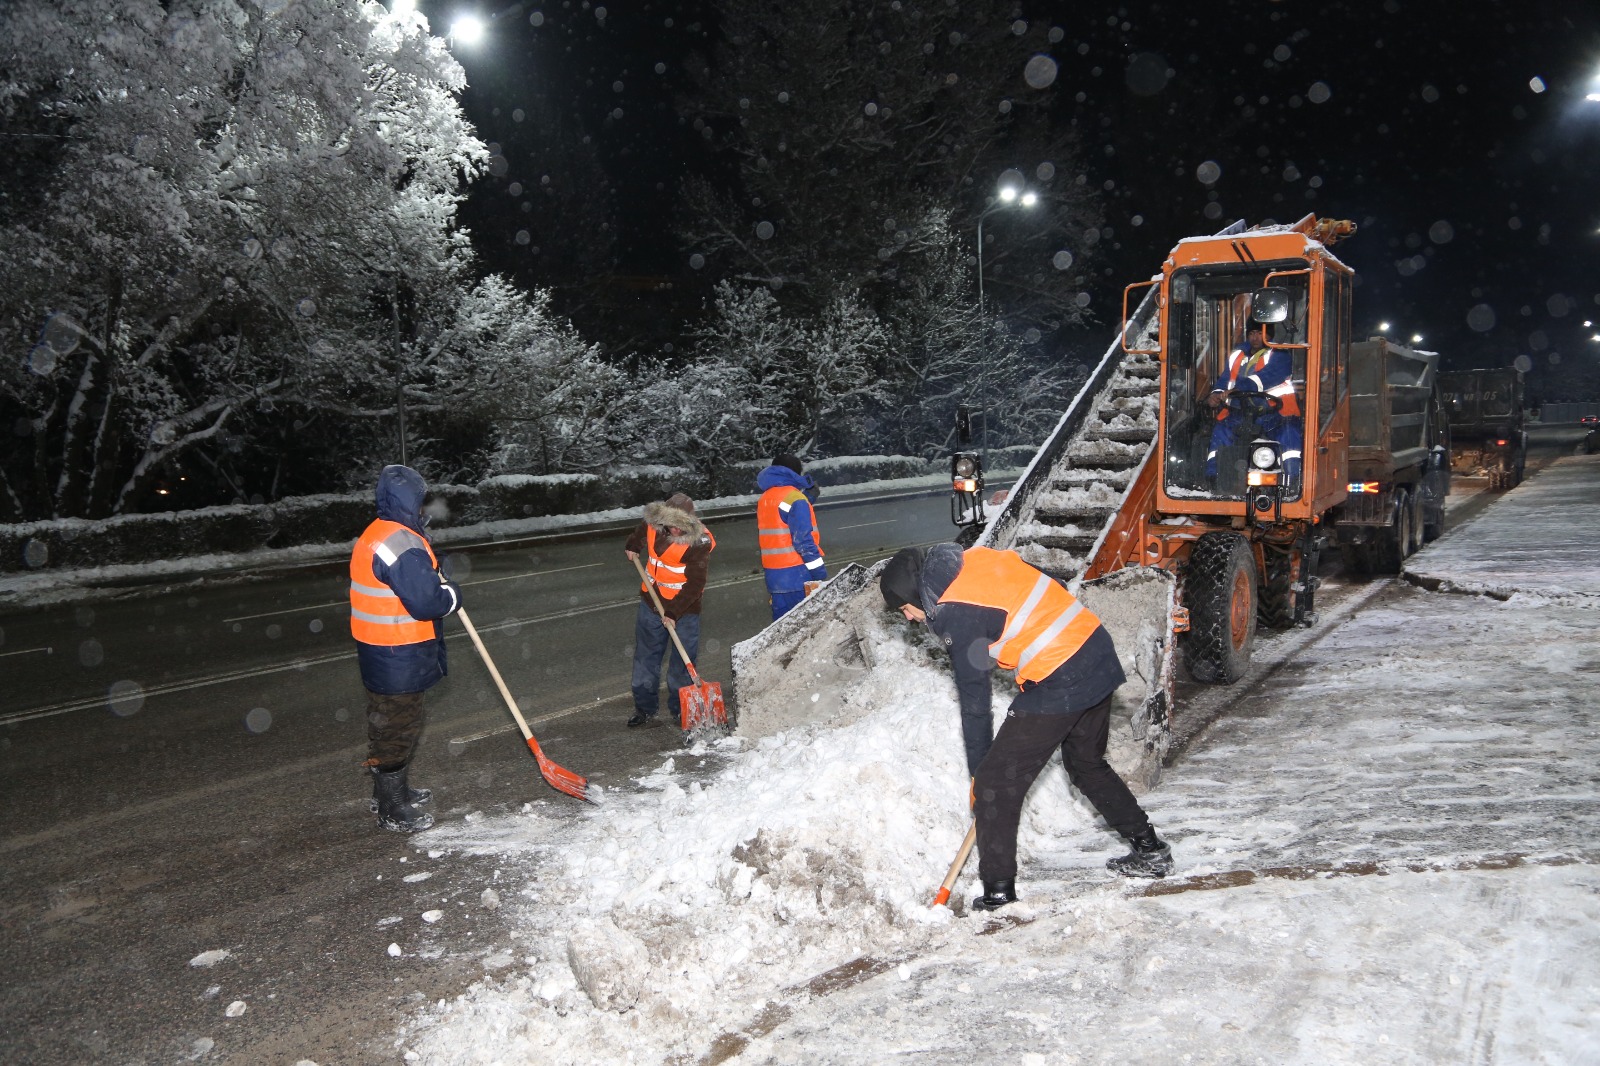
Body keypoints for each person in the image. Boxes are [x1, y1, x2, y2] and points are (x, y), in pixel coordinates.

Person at [878, 544, 1172, 909]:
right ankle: (1150, 850)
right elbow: (1047, 584)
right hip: (1095, 649)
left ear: (913, 593)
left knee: (996, 784)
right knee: (1086, 763)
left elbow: (975, 702)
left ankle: (998, 894)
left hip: (1061, 676)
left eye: (905, 609)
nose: (909, 618)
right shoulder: (973, 559)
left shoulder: (954, 613)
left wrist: (980, 776)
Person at [350, 465, 461, 834]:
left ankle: (386, 792)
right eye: (420, 499)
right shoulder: (402, 544)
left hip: (380, 651)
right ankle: (392, 807)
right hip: (398, 651)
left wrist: (429, 567)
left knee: (385, 723)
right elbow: (427, 602)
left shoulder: (378, 532)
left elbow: (404, 580)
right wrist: (452, 594)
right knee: (399, 727)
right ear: (409, 500)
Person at [625, 493, 715, 728]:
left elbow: (695, 584)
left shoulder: (699, 542)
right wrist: (633, 544)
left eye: (680, 526)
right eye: (670, 525)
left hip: (684, 609)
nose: (674, 530)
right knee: (646, 658)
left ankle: (681, 709)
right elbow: (642, 530)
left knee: (681, 664)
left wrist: (673, 612)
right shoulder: (655, 524)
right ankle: (644, 708)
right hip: (651, 601)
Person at [1206, 323, 1303, 483]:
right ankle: (1213, 478)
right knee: (1220, 431)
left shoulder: (1280, 355)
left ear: (1269, 335)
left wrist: (1238, 389)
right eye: (1252, 333)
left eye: (1260, 333)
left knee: (1289, 434)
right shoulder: (1237, 356)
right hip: (1239, 414)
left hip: (1276, 415)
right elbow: (1224, 380)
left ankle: (1292, 480)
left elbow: (1264, 379)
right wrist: (1215, 395)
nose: (1255, 337)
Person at [756, 453, 826, 621]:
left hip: (775, 577)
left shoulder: (765, 498)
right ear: (795, 473)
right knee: (804, 627)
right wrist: (819, 572)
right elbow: (803, 541)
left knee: (782, 628)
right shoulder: (795, 498)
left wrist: (807, 499)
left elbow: (782, 517)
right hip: (798, 575)